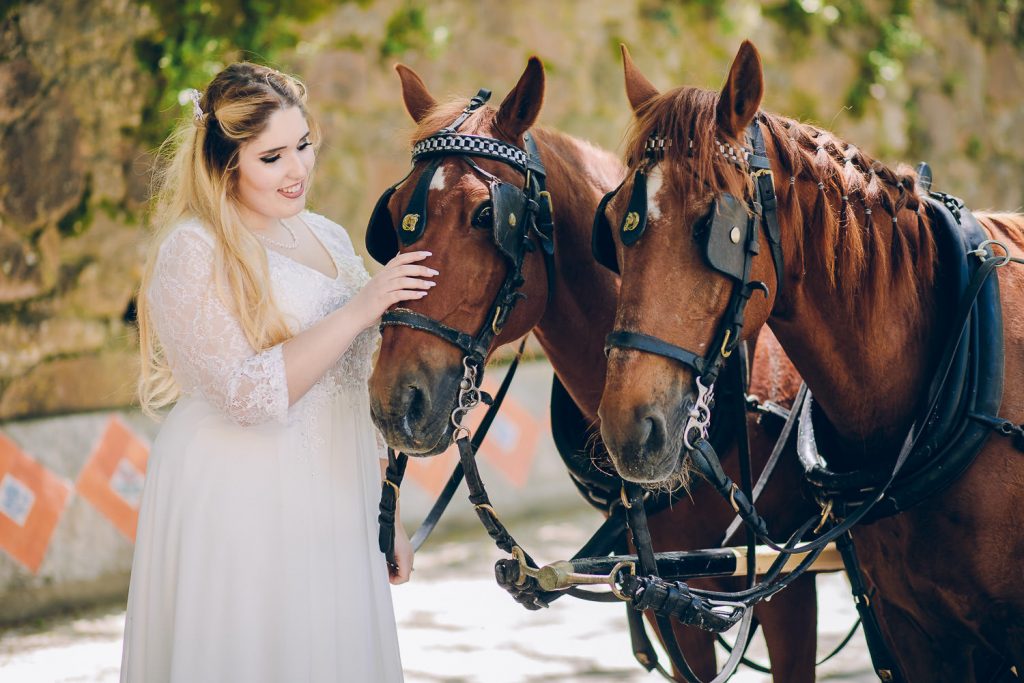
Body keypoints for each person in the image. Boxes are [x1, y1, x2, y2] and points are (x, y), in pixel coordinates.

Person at [120, 62, 433, 682]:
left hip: (336, 493)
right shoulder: (195, 250)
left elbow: (356, 381)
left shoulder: (328, 236)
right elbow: (249, 395)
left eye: (303, 146)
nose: (297, 171)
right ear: (225, 164)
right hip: (242, 497)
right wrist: (363, 306)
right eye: (272, 158)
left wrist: (385, 512)